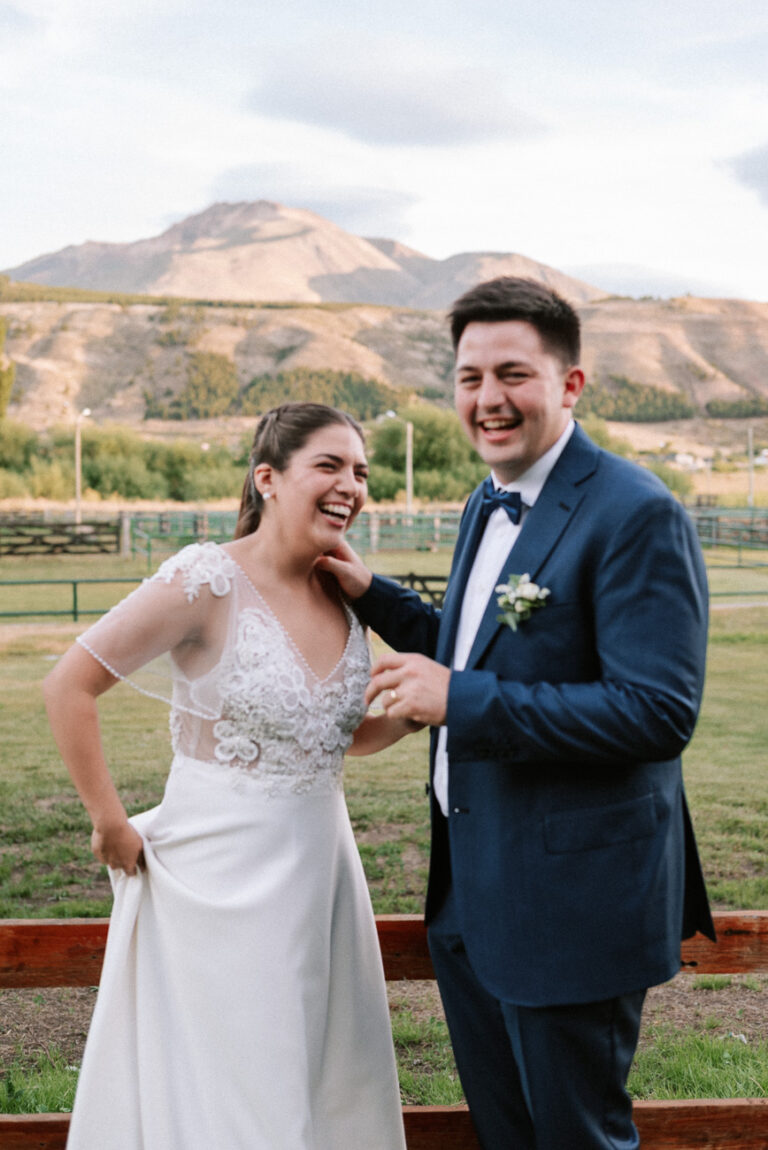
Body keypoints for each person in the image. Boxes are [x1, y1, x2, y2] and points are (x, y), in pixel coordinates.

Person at [319, 278, 716, 1150]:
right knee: (507, 1136)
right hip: (473, 891)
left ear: (569, 385)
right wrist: (371, 593)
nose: (488, 400)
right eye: (469, 378)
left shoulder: (637, 512)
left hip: (573, 897)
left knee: (575, 1138)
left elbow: (657, 712)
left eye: (512, 374)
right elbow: (486, 648)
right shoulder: (482, 501)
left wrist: (459, 701)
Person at [44, 402, 410, 1150]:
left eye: (362, 471)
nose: (352, 486)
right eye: (331, 466)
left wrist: (407, 719)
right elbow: (68, 685)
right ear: (268, 478)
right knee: (240, 1086)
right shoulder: (206, 580)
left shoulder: (343, 593)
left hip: (322, 875)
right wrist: (109, 821)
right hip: (217, 883)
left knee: (326, 1077)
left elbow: (328, 737)